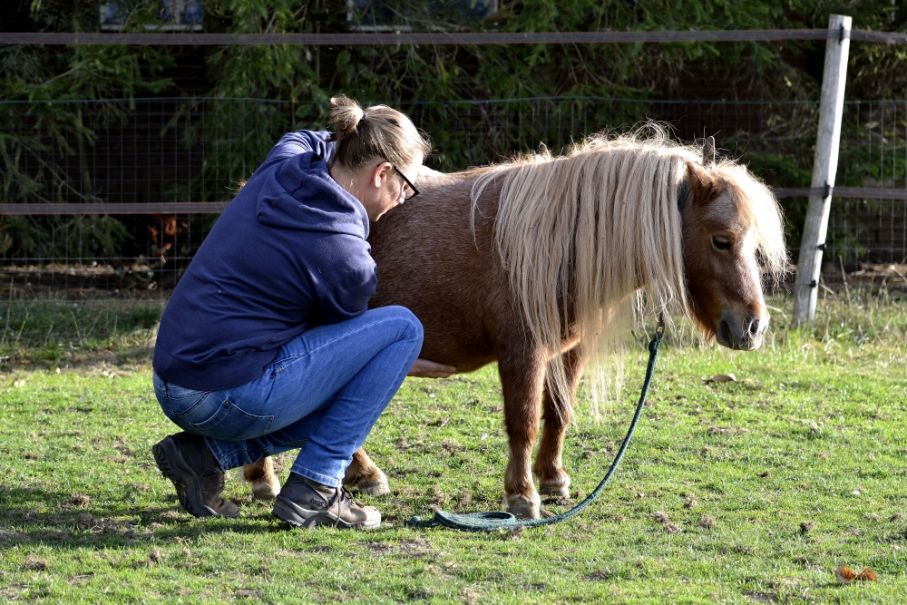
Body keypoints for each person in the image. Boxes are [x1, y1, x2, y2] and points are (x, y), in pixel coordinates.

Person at [151, 96, 451, 530]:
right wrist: (397, 362)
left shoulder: (290, 156)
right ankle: (317, 487)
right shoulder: (346, 254)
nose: (404, 198)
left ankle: (203, 457)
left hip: (172, 378)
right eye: (406, 185)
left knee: (335, 372)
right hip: (222, 393)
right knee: (402, 330)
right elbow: (341, 362)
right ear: (381, 173)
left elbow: (315, 137)